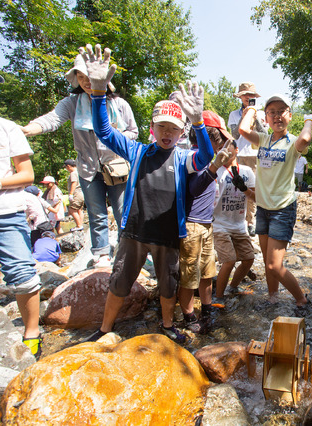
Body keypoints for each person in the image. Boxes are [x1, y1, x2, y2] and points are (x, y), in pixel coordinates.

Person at [79, 44, 214, 344]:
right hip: (135, 233)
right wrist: (98, 94)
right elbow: (103, 132)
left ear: (181, 133)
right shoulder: (137, 151)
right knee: (120, 282)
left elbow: (205, 157)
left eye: (174, 129)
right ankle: (104, 329)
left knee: (168, 286)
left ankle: (167, 326)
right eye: (162, 127)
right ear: (151, 128)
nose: (168, 133)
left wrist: (198, 122)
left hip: (168, 237)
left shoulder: (182, 158)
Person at [21, 53, 138, 268]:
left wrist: (114, 135)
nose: (86, 81)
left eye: (90, 76)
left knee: (123, 212)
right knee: (96, 213)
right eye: (81, 76)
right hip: (87, 169)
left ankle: (126, 250)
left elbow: (133, 132)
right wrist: (27, 130)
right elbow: (51, 120)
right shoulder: (71, 104)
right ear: (75, 78)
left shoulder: (119, 104)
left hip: (116, 167)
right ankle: (101, 253)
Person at [0, 59, 43, 358]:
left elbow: (26, 174)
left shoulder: (5, 127)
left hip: (6, 209)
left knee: (20, 270)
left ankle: (32, 332)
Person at [239, 93, 312, 308]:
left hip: (282, 209)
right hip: (263, 208)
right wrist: (251, 110)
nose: (277, 116)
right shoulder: (263, 140)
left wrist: (309, 121)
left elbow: (305, 139)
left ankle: (302, 299)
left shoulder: (293, 142)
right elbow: (243, 130)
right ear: (265, 118)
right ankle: (273, 297)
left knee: (275, 266)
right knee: (268, 264)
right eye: (272, 112)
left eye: (281, 112)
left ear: (289, 116)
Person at [178, 110, 235, 335]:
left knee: (207, 271)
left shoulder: (206, 159)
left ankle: (207, 309)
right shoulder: (193, 158)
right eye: (219, 139)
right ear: (210, 138)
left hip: (206, 224)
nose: (222, 144)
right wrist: (213, 168)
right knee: (190, 275)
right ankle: (189, 315)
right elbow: (194, 189)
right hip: (191, 225)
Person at [211, 141, 255, 303]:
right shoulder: (215, 171)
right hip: (219, 224)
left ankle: (233, 287)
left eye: (228, 150)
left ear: (237, 150)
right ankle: (219, 298)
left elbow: (256, 198)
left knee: (248, 259)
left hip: (239, 224)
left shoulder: (247, 171)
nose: (225, 153)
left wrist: (244, 188)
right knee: (229, 260)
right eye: (220, 150)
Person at [228, 82, 265, 236]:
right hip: (239, 154)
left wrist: (254, 117)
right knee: (234, 187)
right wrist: (243, 118)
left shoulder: (261, 113)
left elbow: (265, 135)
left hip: (254, 155)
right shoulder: (233, 114)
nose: (248, 97)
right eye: (245, 95)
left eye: (250, 95)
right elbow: (234, 135)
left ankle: (250, 221)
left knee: (252, 188)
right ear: (240, 97)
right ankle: (235, 221)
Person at [64, 159, 84, 231]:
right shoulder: (79, 171)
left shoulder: (73, 173)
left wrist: (71, 194)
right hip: (82, 193)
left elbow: (74, 182)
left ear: (68, 166)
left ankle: (79, 226)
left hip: (76, 193)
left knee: (72, 210)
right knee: (79, 210)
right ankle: (80, 225)